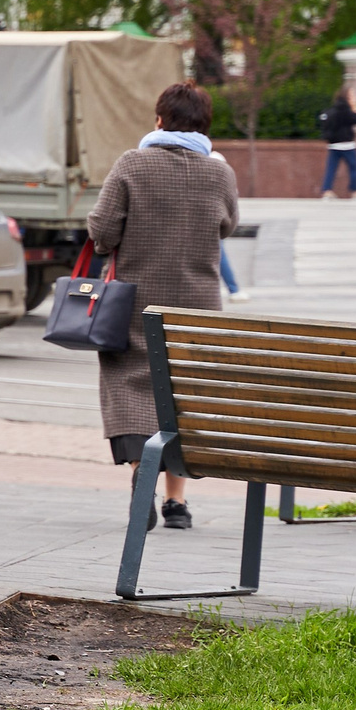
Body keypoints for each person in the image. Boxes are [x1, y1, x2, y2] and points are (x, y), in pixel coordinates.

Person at [88, 82, 241, 531]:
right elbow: (228, 225)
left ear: (159, 120)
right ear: (204, 125)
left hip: (134, 303)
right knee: (181, 395)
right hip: (197, 308)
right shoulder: (220, 173)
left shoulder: (132, 164)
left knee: (134, 387)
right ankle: (178, 503)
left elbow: (102, 229)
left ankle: (143, 481)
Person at [318, 88, 356, 198]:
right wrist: (355, 108)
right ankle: (355, 191)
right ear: (347, 98)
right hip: (347, 145)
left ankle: (327, 191)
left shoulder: (331, 110)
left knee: (331, 169)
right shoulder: (347, 111)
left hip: (334, 145)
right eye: (352, 96)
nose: (355, 98)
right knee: (354, 168)